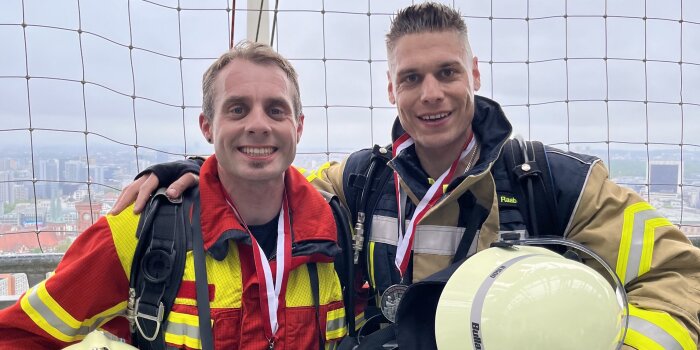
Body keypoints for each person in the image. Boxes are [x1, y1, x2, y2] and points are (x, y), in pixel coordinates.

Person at [112, 3, 700, 349]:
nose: (432, 93)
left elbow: (679, 275)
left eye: (446, 71)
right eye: (412, 78)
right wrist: (197, 169)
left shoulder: (554, 185)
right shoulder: (359, 182)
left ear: (472, 72)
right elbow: (266, 187)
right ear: (391, 89)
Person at [0, 41, 349, 349]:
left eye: (276, 110)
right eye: (237, 109)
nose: (258, 124)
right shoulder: (139, 232)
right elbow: (18, 336)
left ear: (298, 127)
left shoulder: (336, 233)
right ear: (207, 126)